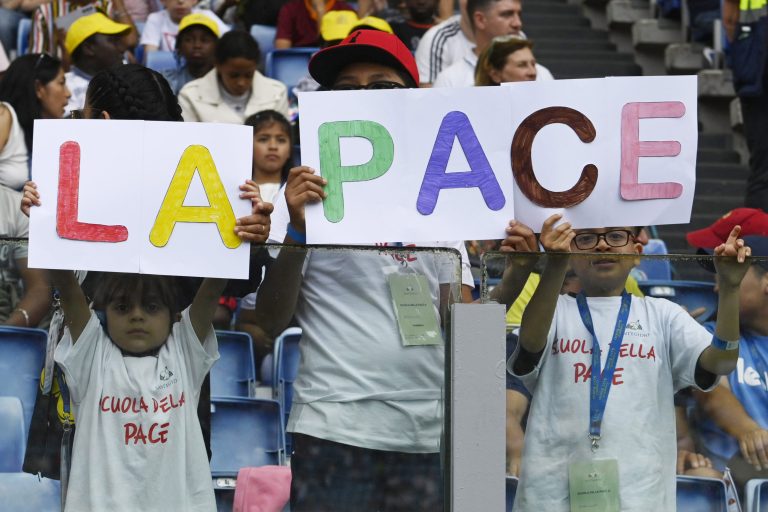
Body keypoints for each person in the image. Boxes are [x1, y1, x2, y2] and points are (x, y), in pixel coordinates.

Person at [246, 29, 475, 511]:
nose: (365, 97)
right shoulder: (298, 198)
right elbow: (268, 321)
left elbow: (462, 328)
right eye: (347, 89)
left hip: (427, 430)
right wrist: (299, 233)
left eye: (383, 86)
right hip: (332, 427)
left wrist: (514, 268)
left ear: (413, 97)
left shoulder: (444, 195)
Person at [508, 215, 750, 511]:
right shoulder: (551, 311)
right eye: (587, 238)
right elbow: (530, 344)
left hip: (642, 496)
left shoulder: (663, 315)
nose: (602, 246)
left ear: (637, 253)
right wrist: (555, 265)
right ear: (571, 252)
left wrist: (730, 290)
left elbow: (720, 363)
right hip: (549, 497)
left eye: (615, 236)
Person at [432, 0, 551, 88]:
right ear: (480, 19)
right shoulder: (450, 80)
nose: (517, 23)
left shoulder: (542, 75)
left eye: (519, 14)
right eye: (507, 14)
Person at [178, 30, 289, 123]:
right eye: (234, 75)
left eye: (249, 75)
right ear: (217, 65)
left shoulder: (277, 93)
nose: (241, 83)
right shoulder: (190, 95)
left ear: (256, 67)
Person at [0, 53, 71, 191]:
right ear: (39, 88)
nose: (68, 93)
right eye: (61, 83)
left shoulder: (43, 130)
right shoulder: (4, 115)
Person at [723, 0, 768, 209]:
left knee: (762, 166)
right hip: (756, 75)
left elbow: (729, 20)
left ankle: (758, 226)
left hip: (753, 69)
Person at [63, 12, 132, 113]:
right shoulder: (65, 88)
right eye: (113, 41)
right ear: (89, 48)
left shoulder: (128, 78)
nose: (122, 48)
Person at [29, 0, 137, 60]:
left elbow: (130, 41)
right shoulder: (46, 11)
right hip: (61, 76)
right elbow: (36, 59)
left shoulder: (105, 5)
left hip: (102, 72)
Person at [161, 12, 220, 95]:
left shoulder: (228, 81)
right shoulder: (165, 81)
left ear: (217, 46)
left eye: (205, 40)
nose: (197, 45)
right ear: (179, 46)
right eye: (189, 40)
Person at [139, 0, 228, 55]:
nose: (180, 1)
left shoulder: (207, 15)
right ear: (162, 0)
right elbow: (151, 57)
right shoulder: (155, 18)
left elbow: (229, 42)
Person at [274, 0, 356, 48]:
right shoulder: (290, 9)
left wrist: (320, 10)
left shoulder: (347, 11)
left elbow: (325, 47)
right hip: (297, 64)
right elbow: (282, 50)